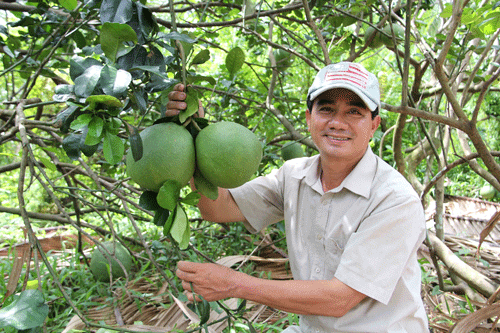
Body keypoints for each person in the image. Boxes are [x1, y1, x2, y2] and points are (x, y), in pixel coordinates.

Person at [167, 62, 429, 332]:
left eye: (354, 112)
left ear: (374, 125)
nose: (337, 123)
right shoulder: (293, 176)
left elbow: (340, 299)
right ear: (308, 117)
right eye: (326, 109)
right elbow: (218, 208)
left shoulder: (394, 200)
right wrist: (192, 133)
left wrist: (234, 284)